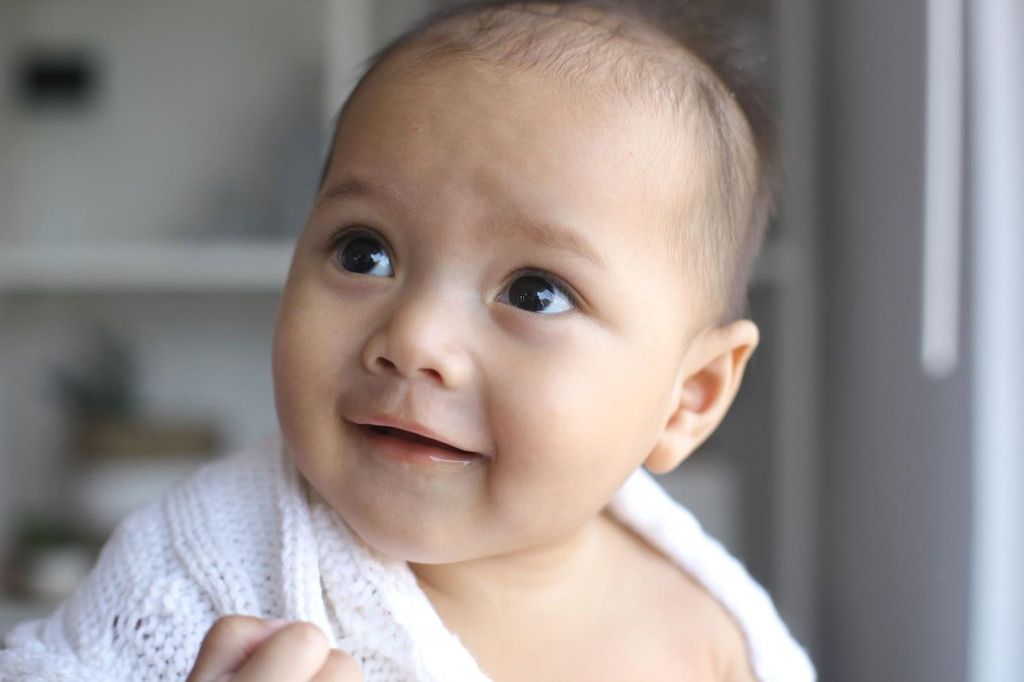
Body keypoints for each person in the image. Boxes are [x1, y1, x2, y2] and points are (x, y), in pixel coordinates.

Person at [1, 1, 815, 679]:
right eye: (366, 251)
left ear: (690, 397)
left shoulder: (709, 632)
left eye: (535, 292)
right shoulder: (196, 576)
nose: (415, 336)